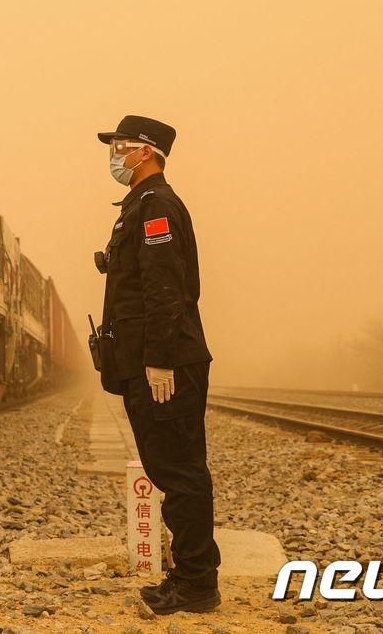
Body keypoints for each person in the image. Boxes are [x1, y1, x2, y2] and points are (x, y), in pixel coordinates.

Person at [94, 114, 220, 614]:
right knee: (172, 469)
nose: (114, 156)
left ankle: (195, 586)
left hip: (164, 368)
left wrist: (160, 362)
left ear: (146, 151)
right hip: (149, 364)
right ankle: (192, 575)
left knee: (180, 472)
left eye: (120, 146)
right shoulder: (140, 207)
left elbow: (166, 289)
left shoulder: (157, 207)